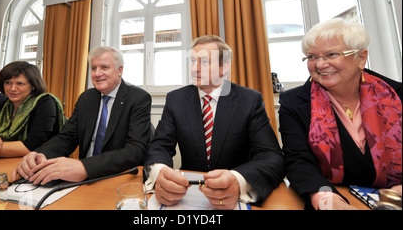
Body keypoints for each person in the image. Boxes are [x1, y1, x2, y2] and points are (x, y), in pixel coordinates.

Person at [144, 35, 285, 210]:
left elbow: (271, 157)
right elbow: (160, 146)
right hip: (188, 193)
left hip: (235, 199)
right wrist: (159, 172)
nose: (194, 68)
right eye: (192, 61)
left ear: (223, 66)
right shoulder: (176, 99)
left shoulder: (249, 100)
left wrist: (237, 180)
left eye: (203, 62)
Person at [278, 18, 402, 210]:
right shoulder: (293, 103)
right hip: (336, 197)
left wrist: (396, 196)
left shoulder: (397, 95)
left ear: (361, 58)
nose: (320, 65)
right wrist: (328, 202)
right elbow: (298, 162)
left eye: (331, 54)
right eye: (312, 57)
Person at [12, 46, 152, 185]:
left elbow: (135, 150)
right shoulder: (86, 98)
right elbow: (67, 137)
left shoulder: (138, 98)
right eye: (93, 68)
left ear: (119, 70)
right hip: (80, 180)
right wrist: (41, 153)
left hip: (116, 177)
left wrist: (86, 167)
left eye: (104, 67)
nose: (97, 73)